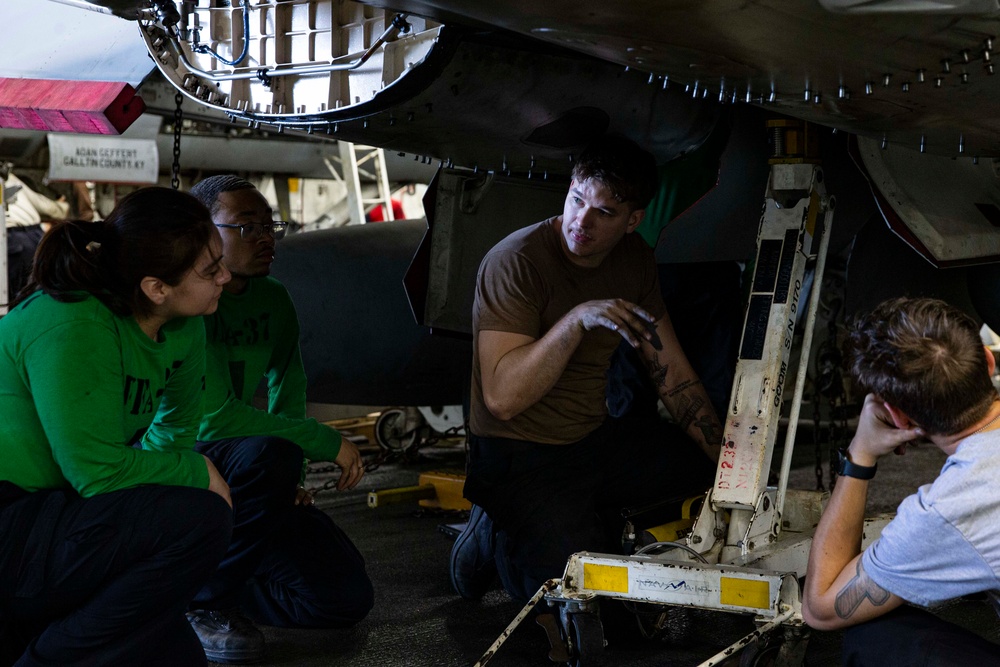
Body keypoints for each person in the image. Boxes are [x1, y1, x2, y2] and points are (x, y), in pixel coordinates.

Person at [453, 135, 724, 605]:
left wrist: (731, 469)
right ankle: (487, 535)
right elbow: (502, 399)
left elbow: (674, 376)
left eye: (604, 212)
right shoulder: (515, 261)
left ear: (632, 221)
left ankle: (585, 518)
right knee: (563, 595)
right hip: (518, 453)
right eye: (577, 200)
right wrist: (577, 319)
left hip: (589, 440)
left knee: (700, 469)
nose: (582, 221)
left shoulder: (634, 258)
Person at [0, 187, 234, 666]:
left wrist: (186, 469)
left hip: (58, 511)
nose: (226, 277)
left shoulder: (185, 324)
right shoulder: (75, 320)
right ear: (156, 287)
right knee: (199, 518)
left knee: (180, 660)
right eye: (210, 270)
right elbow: (97, 472)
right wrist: (198, 473)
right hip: (11, 518)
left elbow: (173, 434)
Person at [187, 175, 373, 663]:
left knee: (345, 599)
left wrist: (294, 472)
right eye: (247, 227)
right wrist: (319, 441)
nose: (265, 238)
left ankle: (190, 586)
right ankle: (204, 604)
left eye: (269, 225)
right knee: (266, 453)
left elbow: (287, 387)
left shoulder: (274, 298)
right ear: (205, 233)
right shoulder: (192, 301)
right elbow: (214, 419)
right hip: (184, 466)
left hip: (247, 468)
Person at [802, 296, 1000, 664]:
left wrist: (861, 452)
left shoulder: (949, 507)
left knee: (877, 636)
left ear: (897, 416)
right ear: (988, 361)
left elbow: (820, 607)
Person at [3, 172, 70, 303]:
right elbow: (54, 210)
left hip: (11, 240)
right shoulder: (8, 177)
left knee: (10, 302)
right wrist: (62, 205)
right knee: (37, 297)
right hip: (32, 239)